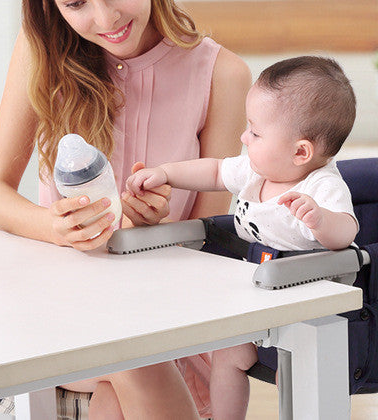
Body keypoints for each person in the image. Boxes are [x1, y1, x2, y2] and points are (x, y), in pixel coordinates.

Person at [0, 0, 251, 420]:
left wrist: (151, 231)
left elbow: (215, 233)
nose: (104, 18)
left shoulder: (223, 75)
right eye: (74, 3)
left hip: (169, 311)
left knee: (128, 364)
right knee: (128, 354)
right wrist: (54, 227)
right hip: (62, 299)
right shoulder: (42, 56)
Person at [125, 55, 359, 420]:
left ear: (300, 152)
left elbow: (347, 232)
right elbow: (214, 171)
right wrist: (166, 173)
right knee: (229, 357)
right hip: (255, 292)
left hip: (304, 304)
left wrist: (320, 219)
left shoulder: (322, 186)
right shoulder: (255, 169)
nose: (243, 137)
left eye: (255, 131)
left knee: (297, 374)